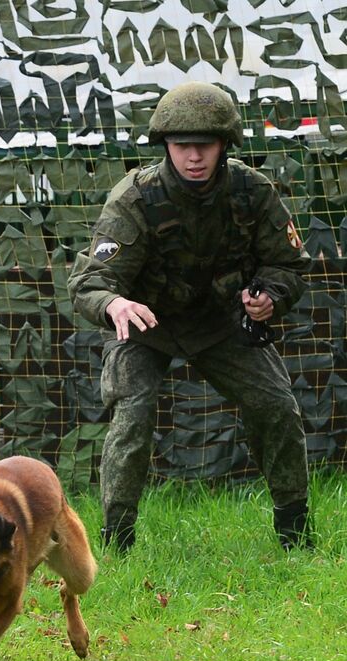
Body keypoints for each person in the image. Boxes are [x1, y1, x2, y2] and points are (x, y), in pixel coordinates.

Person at [69, 81, 314, 552]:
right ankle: (117, 541)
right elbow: (89, 281)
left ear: (225, 145)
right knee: (132, 415)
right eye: (182, 145)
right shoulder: (135, 198)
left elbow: (288, 264)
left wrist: (270, 297)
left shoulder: (251, 191)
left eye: (205, 145)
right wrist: (114, 304)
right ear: (166, 145)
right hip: (144, 323)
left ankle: (295, 534)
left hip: (220, 321)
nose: (194, 156)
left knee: (277, 406)